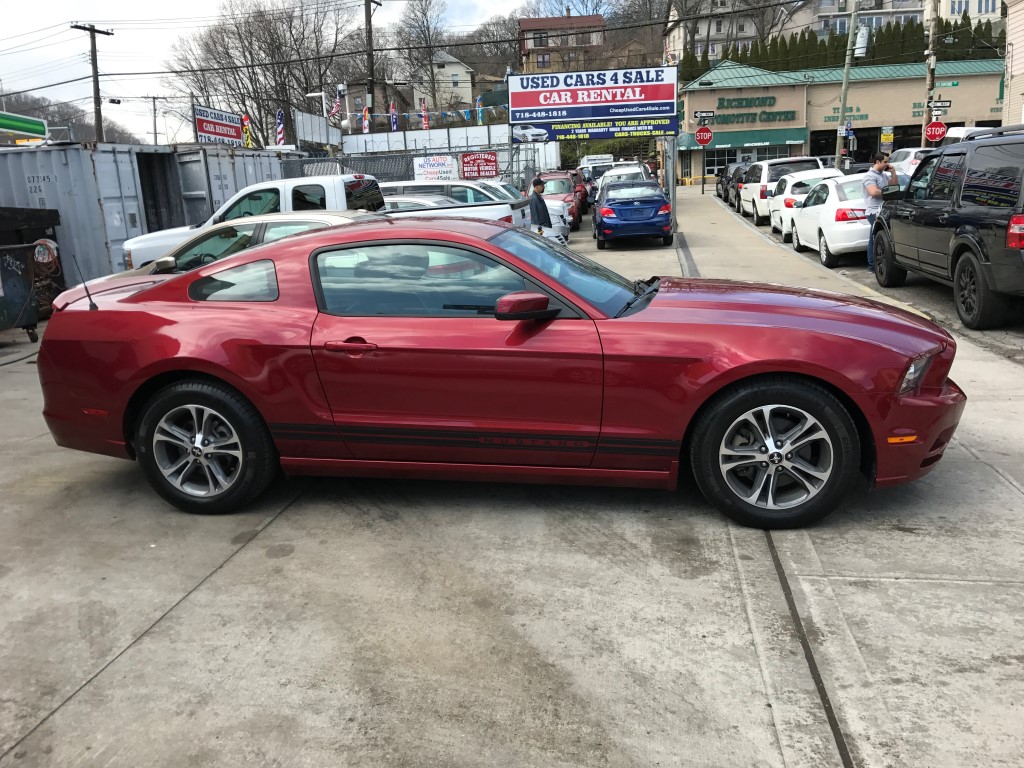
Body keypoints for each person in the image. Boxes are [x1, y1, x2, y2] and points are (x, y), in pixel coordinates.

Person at [863, 152, 898, 273]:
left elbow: (894, 186)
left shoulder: (883, 175)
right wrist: (888, 192)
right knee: (874, 238)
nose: (887, 164)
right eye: (885, 162)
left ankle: (875, 264)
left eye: (888, 161)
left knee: (879, 237)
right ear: (877, 162)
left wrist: (893, 172)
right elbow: (873, 192)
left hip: (883, 210)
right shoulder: (870, 176)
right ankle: (872, 265)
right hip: (873, 211)